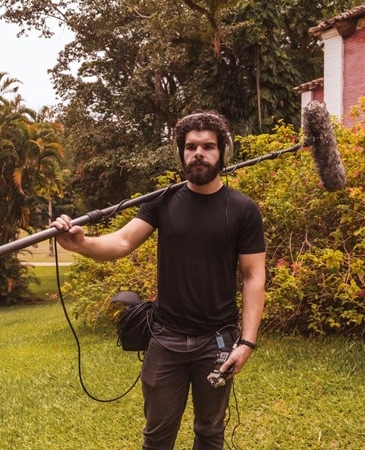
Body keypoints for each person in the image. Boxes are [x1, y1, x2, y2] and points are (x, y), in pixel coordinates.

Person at [52, 111, 266, 449]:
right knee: (156, 437)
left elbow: (253, 276)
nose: (199, 153)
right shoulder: (162, 201)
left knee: (210, 432)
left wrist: (247, 342)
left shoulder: (243, 209)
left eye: (208, 146)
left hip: (217, 341)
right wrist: (81, 244)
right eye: (191, 146)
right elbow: (122, 241)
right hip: (165, 339)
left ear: (223, 153)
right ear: (181, 153)